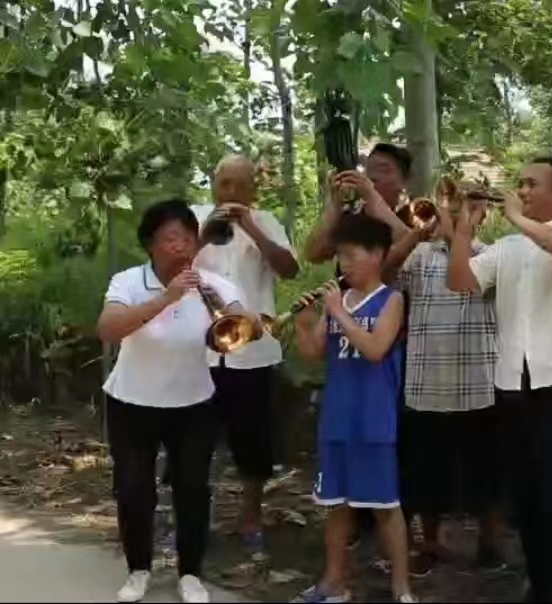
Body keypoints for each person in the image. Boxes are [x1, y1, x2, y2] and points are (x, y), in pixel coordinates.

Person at [446, 156, 552, 603]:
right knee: (526, 498)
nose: (524, 190)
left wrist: (514, 215)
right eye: (521, 184)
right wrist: (463, 230)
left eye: (533, 184)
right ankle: (538, 583)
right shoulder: (508, 248)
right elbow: (460, 282)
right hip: (511, 383)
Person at [98, 198, 262, 603]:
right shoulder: (129, 281)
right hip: (132, 402)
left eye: (188, 238)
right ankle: (139, 570)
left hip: (194, 404)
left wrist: (229, 311)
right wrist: (166, 298)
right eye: (171, 238)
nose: (181, 246)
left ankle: (191, 573)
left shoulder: (215, 284)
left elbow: (251, 328)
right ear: (150, 243)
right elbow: (108, 328)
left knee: (192, 488)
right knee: (135, 490)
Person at [293, 213, 417, 604]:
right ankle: (333, 582)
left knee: (384, 507)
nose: (343, 264)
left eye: (351, 255)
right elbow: (313, 354)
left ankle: (401, 586)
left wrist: (339, 312)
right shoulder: (337, 301)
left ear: (378, 254)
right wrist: (305, 320)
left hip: (374, 420)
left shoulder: (391, 300)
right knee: (336, 505)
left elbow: (376, 349)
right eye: (340, 256)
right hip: (337, 419)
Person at [381, 192, 505, 575]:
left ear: (480, 218)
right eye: (448, 208)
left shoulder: (491, 255)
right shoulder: (420, 256)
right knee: (425, 473)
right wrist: (413, 236)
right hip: (426, 384)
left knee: (485, 472)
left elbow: (471, 275)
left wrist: (457, 234)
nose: (449, 215)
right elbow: (385, 275)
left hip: (479, 384)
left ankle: (491, 546)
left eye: (462, 210)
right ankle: (430, 544)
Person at [186, 154, 298, 554]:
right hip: (196, 352)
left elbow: (289, 270)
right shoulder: (193, 216)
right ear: (213, 184)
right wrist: (204, 231)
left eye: (240, 185)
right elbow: (168, 264)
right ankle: (192, 520)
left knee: (253, 440)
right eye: (224, 183)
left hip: (252, 352)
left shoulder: (266, 222)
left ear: (253, 189)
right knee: (191, 441)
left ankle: (252, 515)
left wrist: (249, 224)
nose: (231, 192)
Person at [305, 143, 413, 265]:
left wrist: (375, 201)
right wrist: (334, 204)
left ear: (404, 181)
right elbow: (315, 254)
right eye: (370, 169)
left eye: (384, 170)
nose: (373, 176)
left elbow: (419, 251)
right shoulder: (354, 218)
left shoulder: (417, 214)